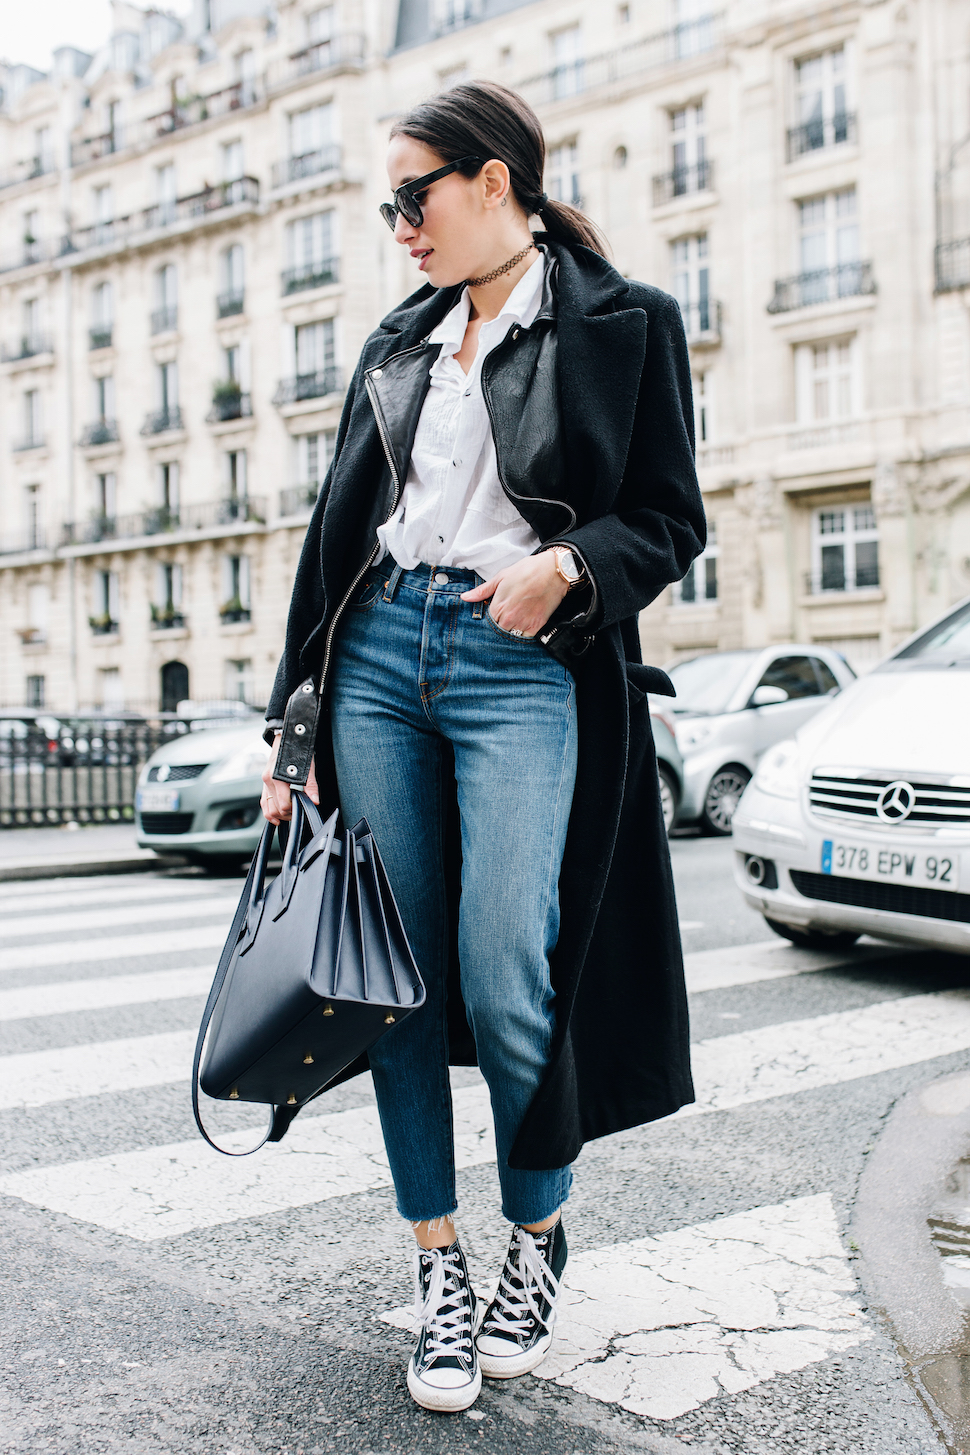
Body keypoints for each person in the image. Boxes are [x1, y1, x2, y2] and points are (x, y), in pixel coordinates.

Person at [260, 79, 705, 1414]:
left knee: (509, 961)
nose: (399, 224)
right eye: (387, 203)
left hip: (524, 665)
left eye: (416, 195)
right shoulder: (397, 340)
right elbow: (332, 544)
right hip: (380, 659)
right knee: (390, 976)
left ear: (496, 181)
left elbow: (669, 520)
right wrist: (292, 723)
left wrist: (565, 565)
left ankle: (535, 1236)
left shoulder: (626, 325)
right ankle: (438, 1266)